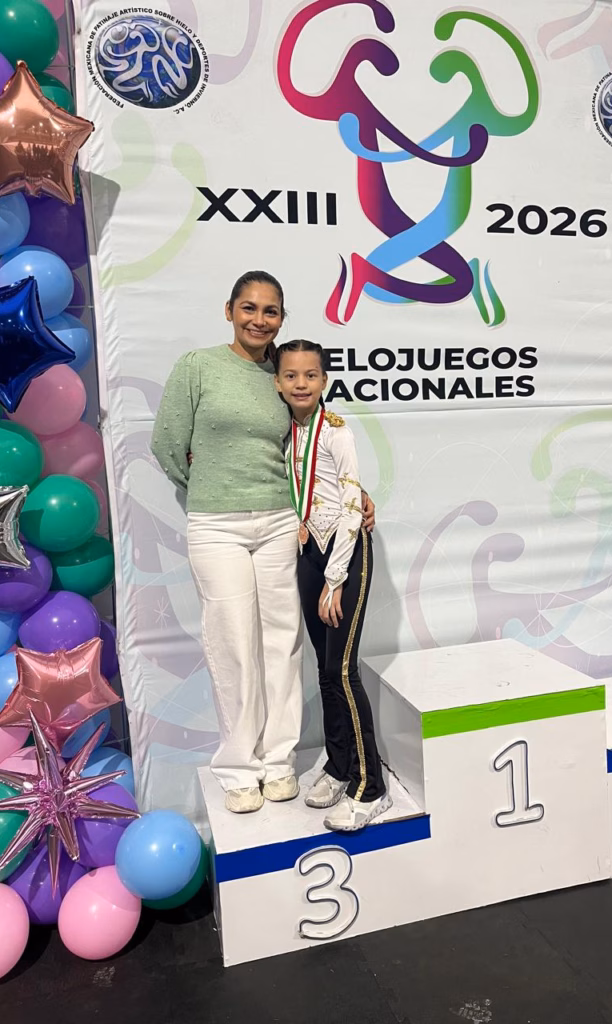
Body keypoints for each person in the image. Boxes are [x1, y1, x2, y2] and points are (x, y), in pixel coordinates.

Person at [150, 271, 375, 814]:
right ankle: (238, 766)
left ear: (282, 318)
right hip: (216, 525)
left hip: (280, 523)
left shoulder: (284, 371)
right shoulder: (199, 367)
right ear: (229, 310)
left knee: (282, 642)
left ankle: (278, 761)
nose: (259, 319)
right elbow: (166, 445)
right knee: (231, 642)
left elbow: (310, 443)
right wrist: (208, 488)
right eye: (248, 308)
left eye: (270, 311)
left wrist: (355, 493)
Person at [274, 339, 391, 831]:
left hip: (344, 556)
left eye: (310, 375)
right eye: (291, 376)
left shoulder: (336, 431)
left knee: (343, 671)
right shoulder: (283, 430)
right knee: (324, 671)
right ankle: (340, 765)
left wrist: (334, 581)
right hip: (308, 550)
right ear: (278, 382)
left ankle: (372, 786)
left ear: (324, 380)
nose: (301, 384)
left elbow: (348, 506)